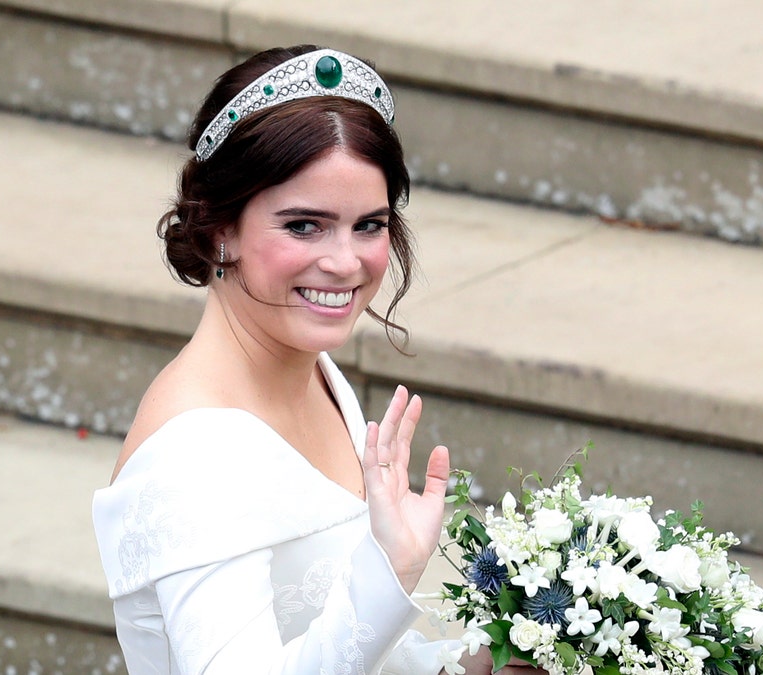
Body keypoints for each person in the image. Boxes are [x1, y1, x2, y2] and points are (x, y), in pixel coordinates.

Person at [91, 45, 544, 674]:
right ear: (220, 226)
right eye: (304, 226)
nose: (344, 262)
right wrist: (389, 574)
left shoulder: (317, 376)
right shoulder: (195, 457)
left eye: (369, 225)